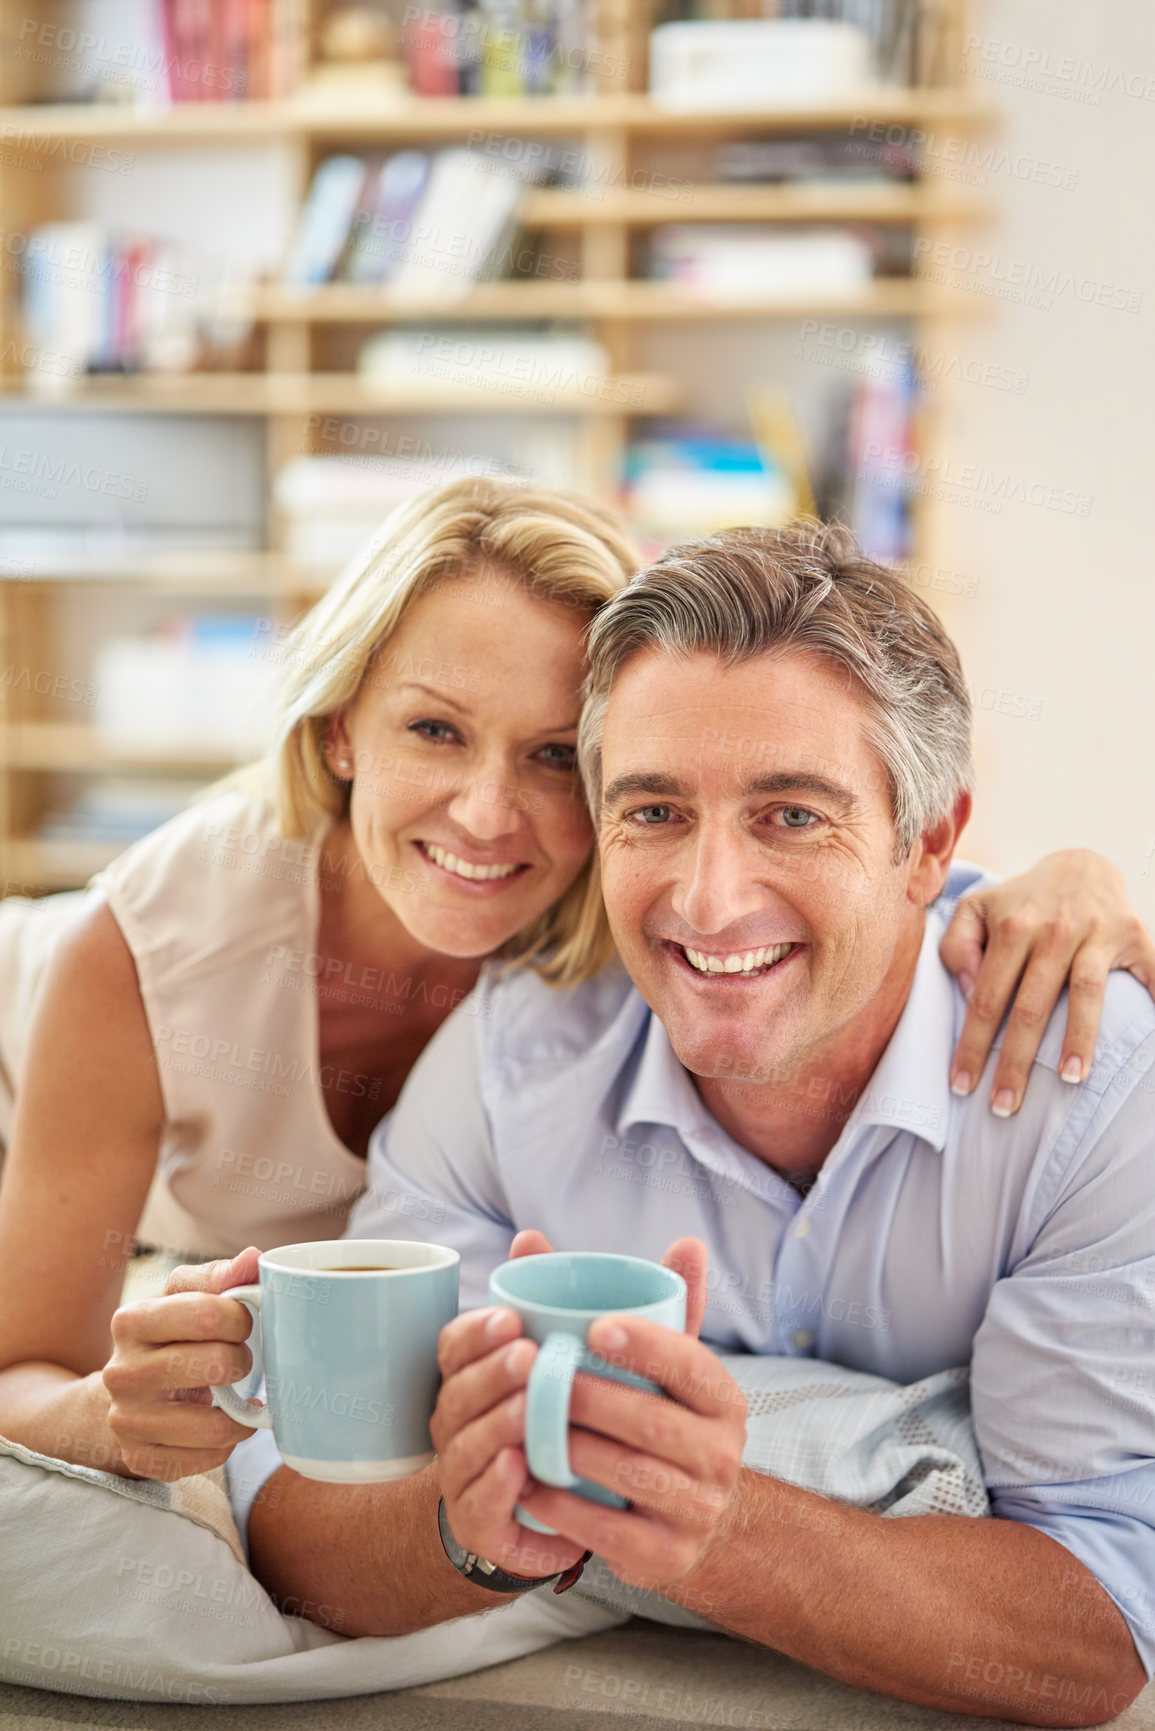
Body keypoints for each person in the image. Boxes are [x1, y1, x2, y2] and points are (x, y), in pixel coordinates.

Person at [193, 522, 1154, 1726]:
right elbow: (295, 1502)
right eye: (652, 812)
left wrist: (707, 1525)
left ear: (931, 844)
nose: (708, 900)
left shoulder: (1094, 1085)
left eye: (792, 816)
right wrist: (472, 1532)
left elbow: (1104, 1628)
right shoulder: (513, 1057)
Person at [9, 471, 1145, 1488]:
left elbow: (860, 867)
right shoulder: (140, 956)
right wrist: (115, 1423)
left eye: (555, 755)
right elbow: (22, 1364)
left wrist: (1078, 880)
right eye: (435, 730)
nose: (488, 814)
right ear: (342, 725)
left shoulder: (627, 900)